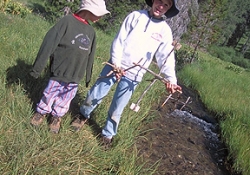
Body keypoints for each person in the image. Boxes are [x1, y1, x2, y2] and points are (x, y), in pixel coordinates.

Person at [71, 0, 182, 146]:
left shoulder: (165, 31)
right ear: (153, 1)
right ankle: (83, 115)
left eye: (166, 5)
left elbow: (165, 58)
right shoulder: (136, 16)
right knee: (96, 93)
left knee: (118, 107)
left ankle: (107, 135)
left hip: (134, 74)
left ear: (168, 9)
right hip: (116, 65)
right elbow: (119, 40)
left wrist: (171, 80)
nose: (161, 7)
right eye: (159, 1)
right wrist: (116, 64)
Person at [30, 0, 110, 134]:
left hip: (75, 74)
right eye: (100, 13)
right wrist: (37, 68)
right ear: (90, 10)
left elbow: (90, 56)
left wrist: (87, 76)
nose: (101, 17)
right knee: (50, 93)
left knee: (66, 97)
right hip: (60, 70)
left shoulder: (91, 32)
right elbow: (49, 43)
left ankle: (57, 116)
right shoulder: (66, 22)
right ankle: (41, 112)